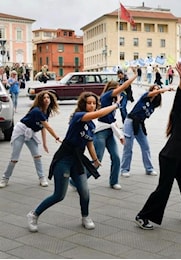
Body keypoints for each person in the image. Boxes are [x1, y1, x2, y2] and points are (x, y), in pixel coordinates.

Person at [26, 92, 122, 232]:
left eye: (94, 103)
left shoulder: (91, 125)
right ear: (83, 104)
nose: (92, 105)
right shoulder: (78, 116)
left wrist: (95, 160)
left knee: (85, 191)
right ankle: (33, 214)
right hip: (64, 159)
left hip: (77, 161)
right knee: (59, 195)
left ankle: (85, 216)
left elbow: (89, 144)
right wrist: (116, 105)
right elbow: (98, 114)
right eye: (89, 103)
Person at [134, 61, 181, 230]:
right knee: (164, 188)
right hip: (170, 158)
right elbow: (180, 96)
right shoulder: (179, 111)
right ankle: (143, 216)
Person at [0, 91, 60, 188]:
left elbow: (43, 127)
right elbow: (48, 127)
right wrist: (57, 137)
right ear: (40, 100)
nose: (46, 99)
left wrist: (44, 144)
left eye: (48, 97)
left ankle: (42, 178)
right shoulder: (37, 111)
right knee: (14, 158)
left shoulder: (46, 111)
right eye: (44, 98)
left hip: (30, 133)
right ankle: (5, 178)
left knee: (37, 156)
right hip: (20, 132)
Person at [92, 75, 136, 189]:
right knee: (97, 161)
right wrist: (135, 75)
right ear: (114, 88)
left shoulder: (113, 100)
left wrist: (120, 135)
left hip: (109, 132)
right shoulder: (107, 95)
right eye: (118, 89)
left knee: (116, 157)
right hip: (100, 132)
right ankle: (76, 180)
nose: (120, 92)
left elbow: (112, 120)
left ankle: (114, 181)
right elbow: (125, 86)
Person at [120, 84, 174, 178]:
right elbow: (152, 93)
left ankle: (149, 168)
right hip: (130, 122)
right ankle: (124, 169)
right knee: (128, 147)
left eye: (157, 90)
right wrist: (164, 89)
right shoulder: (145, 97)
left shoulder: (153, 105)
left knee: (146, 147)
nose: (156, 91)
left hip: (140, 124)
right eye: (154, 89)